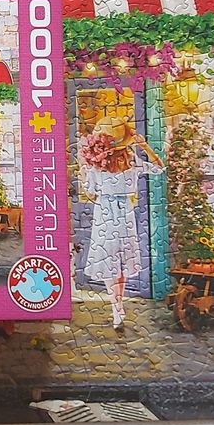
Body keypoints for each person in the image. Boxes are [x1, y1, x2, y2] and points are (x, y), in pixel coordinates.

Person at [79, 116, 165, 333]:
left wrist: (84, 172)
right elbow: (159, 167)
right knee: (121, 261)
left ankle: (116, 307)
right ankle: (118, 307)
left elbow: (90, 193)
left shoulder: (98, 166)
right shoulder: (131, 160)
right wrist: (144, 145)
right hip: (123, 211)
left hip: (105, 212)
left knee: (111, 260)